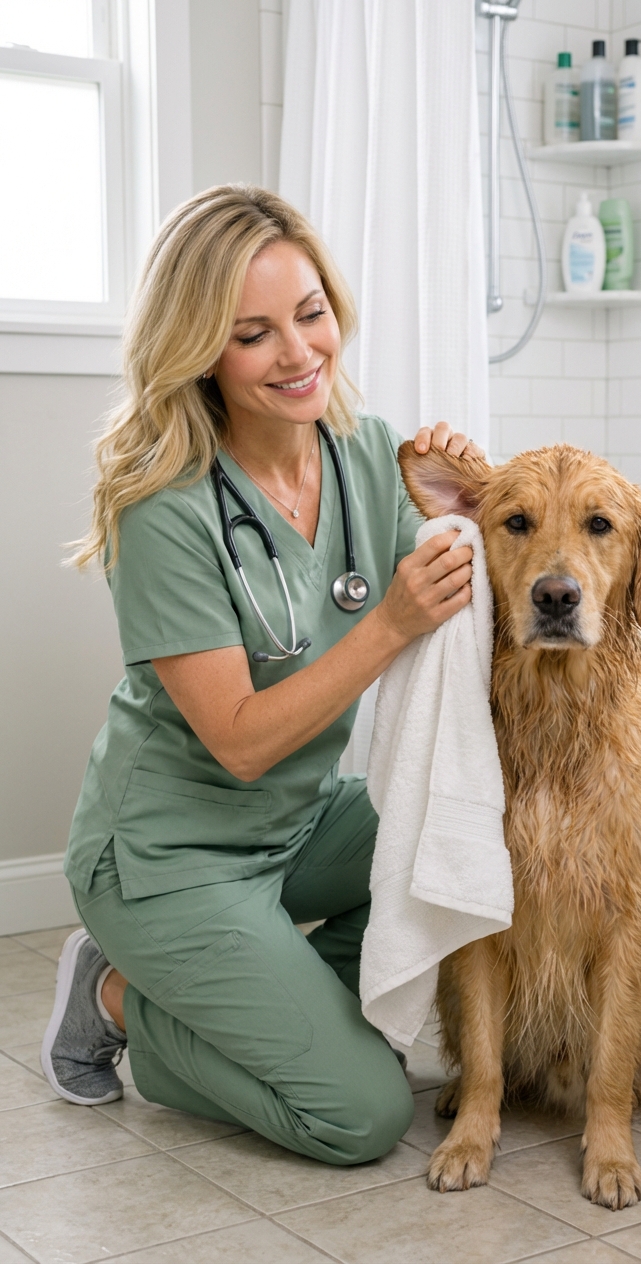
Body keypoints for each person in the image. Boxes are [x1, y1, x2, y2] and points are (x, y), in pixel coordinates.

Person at [42, 184, 481, 1166]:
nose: (299, 353)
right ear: (202, 346)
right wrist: (389, 620)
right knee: (363, 1113)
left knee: (461, 840)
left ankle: (262, 1001)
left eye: (310, 313)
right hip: (168, 853)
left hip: (299, 822)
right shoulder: (164, 505)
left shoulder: (371, 453)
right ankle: (116, 998)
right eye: (253, 334)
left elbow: (463, 578)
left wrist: (476, 500)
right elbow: (238, 740)